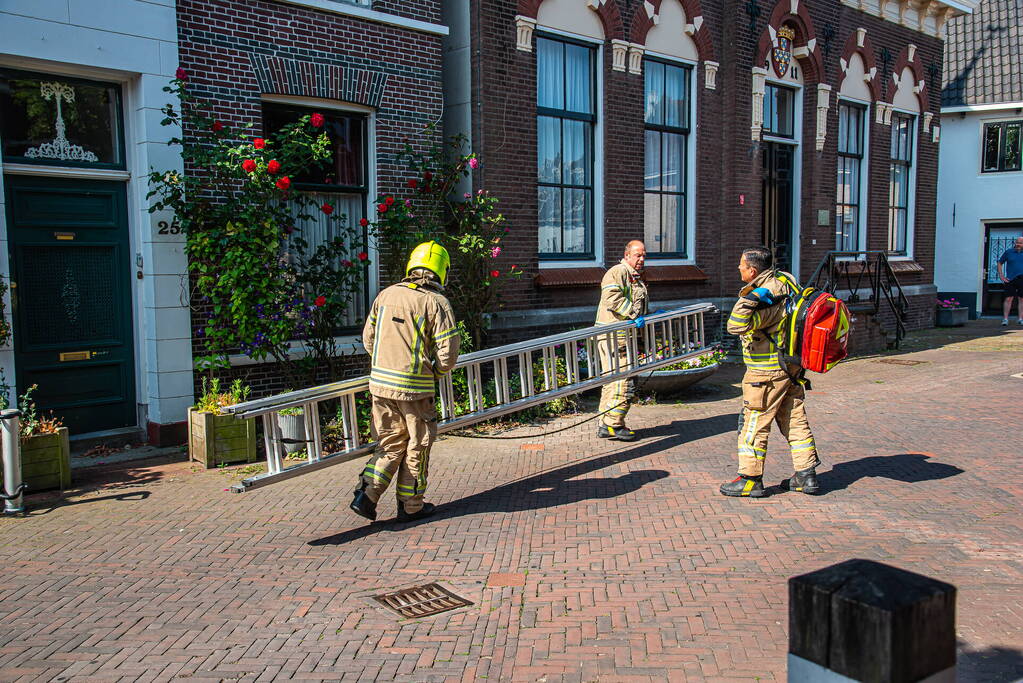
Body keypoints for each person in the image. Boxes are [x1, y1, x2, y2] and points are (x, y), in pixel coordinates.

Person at [350, 241, 460, 523]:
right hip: (415, 390)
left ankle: (366, 495)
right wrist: (433, 373)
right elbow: (448, 355)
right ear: (442, 270)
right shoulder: (436, 303)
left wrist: (385, 365)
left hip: (380, 386)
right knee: (417, 446)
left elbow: (368, 339)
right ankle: (411, 506)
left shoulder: (385, 295)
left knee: (389, 443)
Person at [720, 246, 820, 498]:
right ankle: (806, 475)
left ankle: (750, 479)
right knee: (795, 419)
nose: (738, 268)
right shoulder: (786, 280)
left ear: (752, 271)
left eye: (742, 265)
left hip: (765, 373)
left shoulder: (766, 298)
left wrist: (750, 298)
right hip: (791, 368)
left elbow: (735, 325)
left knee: (754, 424)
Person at [593, 240, 649, 442]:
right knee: (624, 379)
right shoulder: (618, 272)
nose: (641, 259)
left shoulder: (634, 276)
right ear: (627, 255)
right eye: (637, 255)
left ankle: (604, 424)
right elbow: (612, 297)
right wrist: (634, 314)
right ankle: (614, 424)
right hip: (616, 336)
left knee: (612, 380)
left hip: (621, 335)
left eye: (644, 255)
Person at [997, 236, 1023, 326]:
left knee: (1022, 299)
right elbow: (1000, 263)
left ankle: (1020, 319)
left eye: (1020, 243)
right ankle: (1005, 319)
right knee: (1008, 299)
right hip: (1010, 279)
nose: (1018, 244)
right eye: (1017, 242)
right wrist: (1001, 276)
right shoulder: (1009, 252)